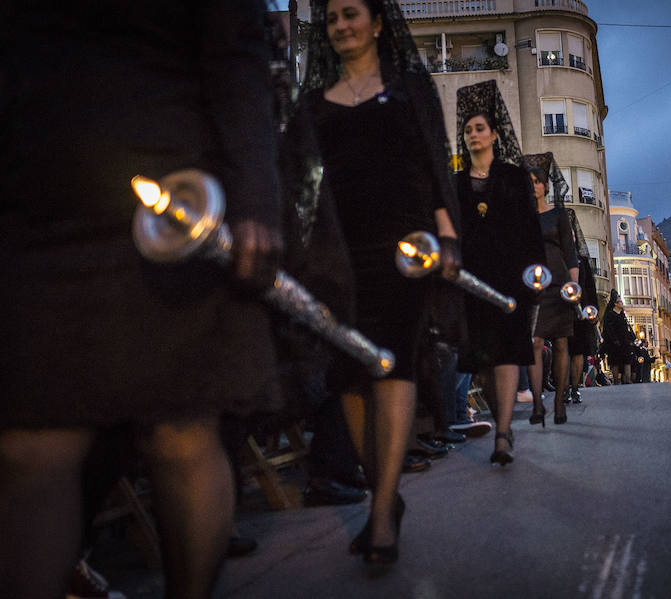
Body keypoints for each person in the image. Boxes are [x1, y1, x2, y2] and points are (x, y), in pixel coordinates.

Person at [1, 3, 283, 598]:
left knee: (179, 431)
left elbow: (236, 51)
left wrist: (256, 194)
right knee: (32, 444)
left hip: (172, 200)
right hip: (34, 204)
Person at [302, 0, 461, 566]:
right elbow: (304, 183)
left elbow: (433, 164)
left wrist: (445, 234)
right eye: (332, 19)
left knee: (393, 362)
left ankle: (382, 513)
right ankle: (381, 495)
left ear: (375, 21)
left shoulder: (410, 88)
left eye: (351, 13)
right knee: (348, 376)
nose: (341, 25)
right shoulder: (314, 104)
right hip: (339, 255)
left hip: (403, 249)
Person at [455, 80, 546, 465]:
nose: (474, 134)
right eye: (468, 129)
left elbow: (529, 227)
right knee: (483, 361)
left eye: (480, 128)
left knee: (507, 351)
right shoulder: (456, 182)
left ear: (494, 134)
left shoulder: (512, 177)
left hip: (510, 277)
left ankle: (503, 434)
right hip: (472, 281)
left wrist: (535, 273)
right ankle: (499, 417)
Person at [522, 154, 579, 427]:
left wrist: (574, 284)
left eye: (537, 181)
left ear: (546, 186)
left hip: (559, 283)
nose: (533, 185)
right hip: (532, 284)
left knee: (560, 343)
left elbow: (570, 252)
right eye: (529, 182)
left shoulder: (558, 215)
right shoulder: (521, 218)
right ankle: (536, 403)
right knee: (534, 341)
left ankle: (558, 402)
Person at [565, 208, 601, 403]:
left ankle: (575, 387)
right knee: (562, 348)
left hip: (581, 310)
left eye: (572, 232)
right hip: (562, 308)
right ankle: (563, 387)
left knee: (578, 350)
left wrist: (593, 310)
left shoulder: (583, 261)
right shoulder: (557, 258)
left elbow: (591, 288)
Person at [602, 291, 636, 384]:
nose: (622, 303)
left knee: (627, 361)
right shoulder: (610, 315)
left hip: (625, 342)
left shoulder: (622, 315)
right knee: (615, 362)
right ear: (615, 304)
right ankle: (616, 380)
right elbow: (609, 329)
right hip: (614, 343)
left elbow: (626, 328)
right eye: (620, 302)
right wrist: (615, 340)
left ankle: (627, 379)